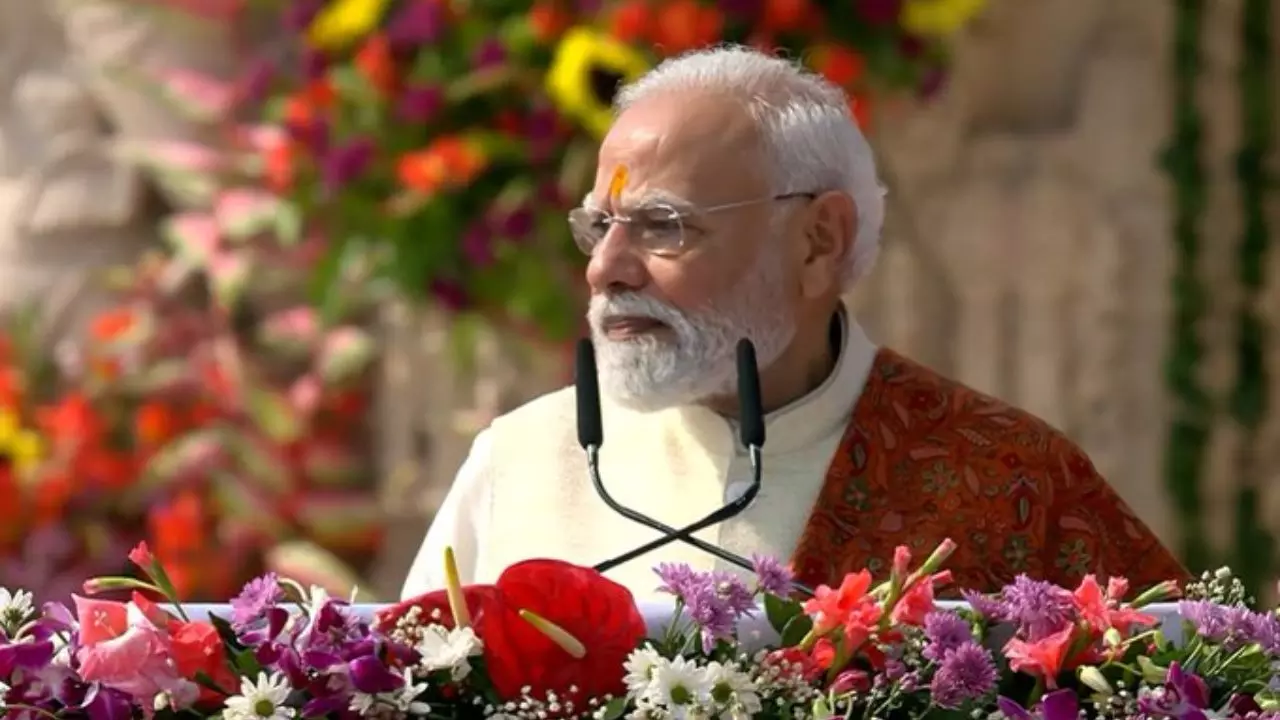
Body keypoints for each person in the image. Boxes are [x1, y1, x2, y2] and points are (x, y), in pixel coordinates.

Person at [401, 45, 1190, 601]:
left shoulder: (1007, 478)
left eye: (663, 225)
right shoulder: (525, 462)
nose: (606, 268)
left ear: (819, 241)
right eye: (599, 226)